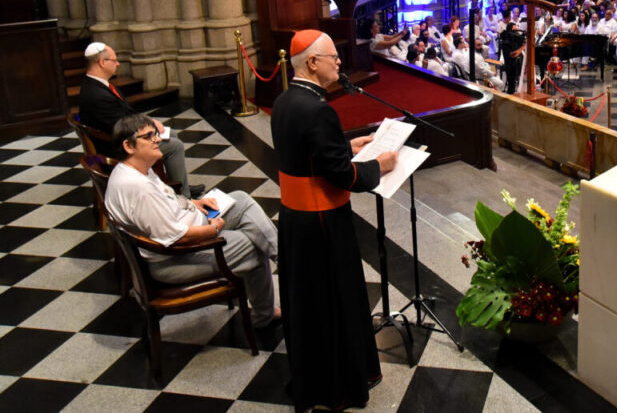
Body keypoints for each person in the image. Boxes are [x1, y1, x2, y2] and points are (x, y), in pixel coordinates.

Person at [270, 30, 399, 411]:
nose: (339, 62)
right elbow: (344, 176)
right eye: (333, 57)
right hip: (322, 223)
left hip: (296, 220)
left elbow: (308, 152)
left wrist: (347, 145)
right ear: (312, 63)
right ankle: (339, 386)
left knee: (307, 305)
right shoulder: (319, 108)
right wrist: (380, 164)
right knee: (333, 302)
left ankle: (312, 379)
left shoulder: (285, 101)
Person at [104, 113, 279, 327]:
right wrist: (213, 230)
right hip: (175, 259)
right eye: (149, 136)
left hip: (189, 225)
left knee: (240, 200)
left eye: (156, 134)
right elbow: (175, 238)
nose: (158, 139)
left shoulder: (136, 170)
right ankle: (264, 316)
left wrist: (194, 204)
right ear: (128, 146)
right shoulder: (138, 189)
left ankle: (285, 259)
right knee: (252, 242)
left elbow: (166, 200)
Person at [78, 42, 196, 198]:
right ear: (102, 62)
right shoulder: (97, 95)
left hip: (119, 139)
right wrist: (151, 128)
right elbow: (122, 128)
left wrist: (149, 123)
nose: (118, 64)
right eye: (114, 60)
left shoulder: (97, 85)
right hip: (116, 148)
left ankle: (177, 184)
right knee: (175, 146)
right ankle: (183, 197)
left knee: (171, 133)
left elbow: (127, 113)